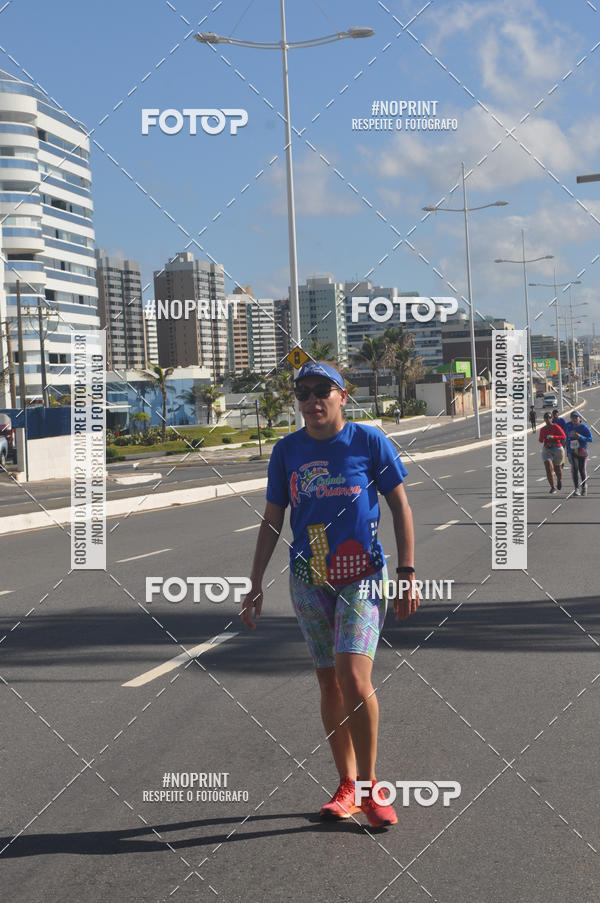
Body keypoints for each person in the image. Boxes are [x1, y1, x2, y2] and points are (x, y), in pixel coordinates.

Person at [241, 361, 418, 828]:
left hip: (361, 573)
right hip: (308, 575)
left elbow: (400, 506)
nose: (312, 400)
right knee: (329, 683)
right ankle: (346, 783)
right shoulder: (286, 451)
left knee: (354, 678)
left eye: (323, 390)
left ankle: (369, 785)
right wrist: (255, 582)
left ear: (343, 395)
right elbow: (272, 519)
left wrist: (407, 572)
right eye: (303, 393)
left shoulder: (368, 441)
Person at [565, 411, 593, 496]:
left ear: (579, 419)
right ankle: (576, 488)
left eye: (576, 417)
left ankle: (584, 486)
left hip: (582, 451)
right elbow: (566, 437)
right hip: (572, 451)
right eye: (572, 417)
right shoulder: (568, 426)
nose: (574, 419)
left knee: (582, 469)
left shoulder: (583, 427)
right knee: (574, 469)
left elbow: (590, 439)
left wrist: (580, 436)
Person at [539, 411, 566, 493]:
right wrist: (542, 439)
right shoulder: (543, 429)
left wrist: (553, 437)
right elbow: (541, 440)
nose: (547, 419)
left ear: (552, 419)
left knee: (558, 468)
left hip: (557, 448)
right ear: (544, 419)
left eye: (549, 417)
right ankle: (553, 487)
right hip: (547, 449)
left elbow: (563, 436)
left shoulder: (556, 427)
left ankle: (559, 479)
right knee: (548, 467)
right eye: (546, 418)